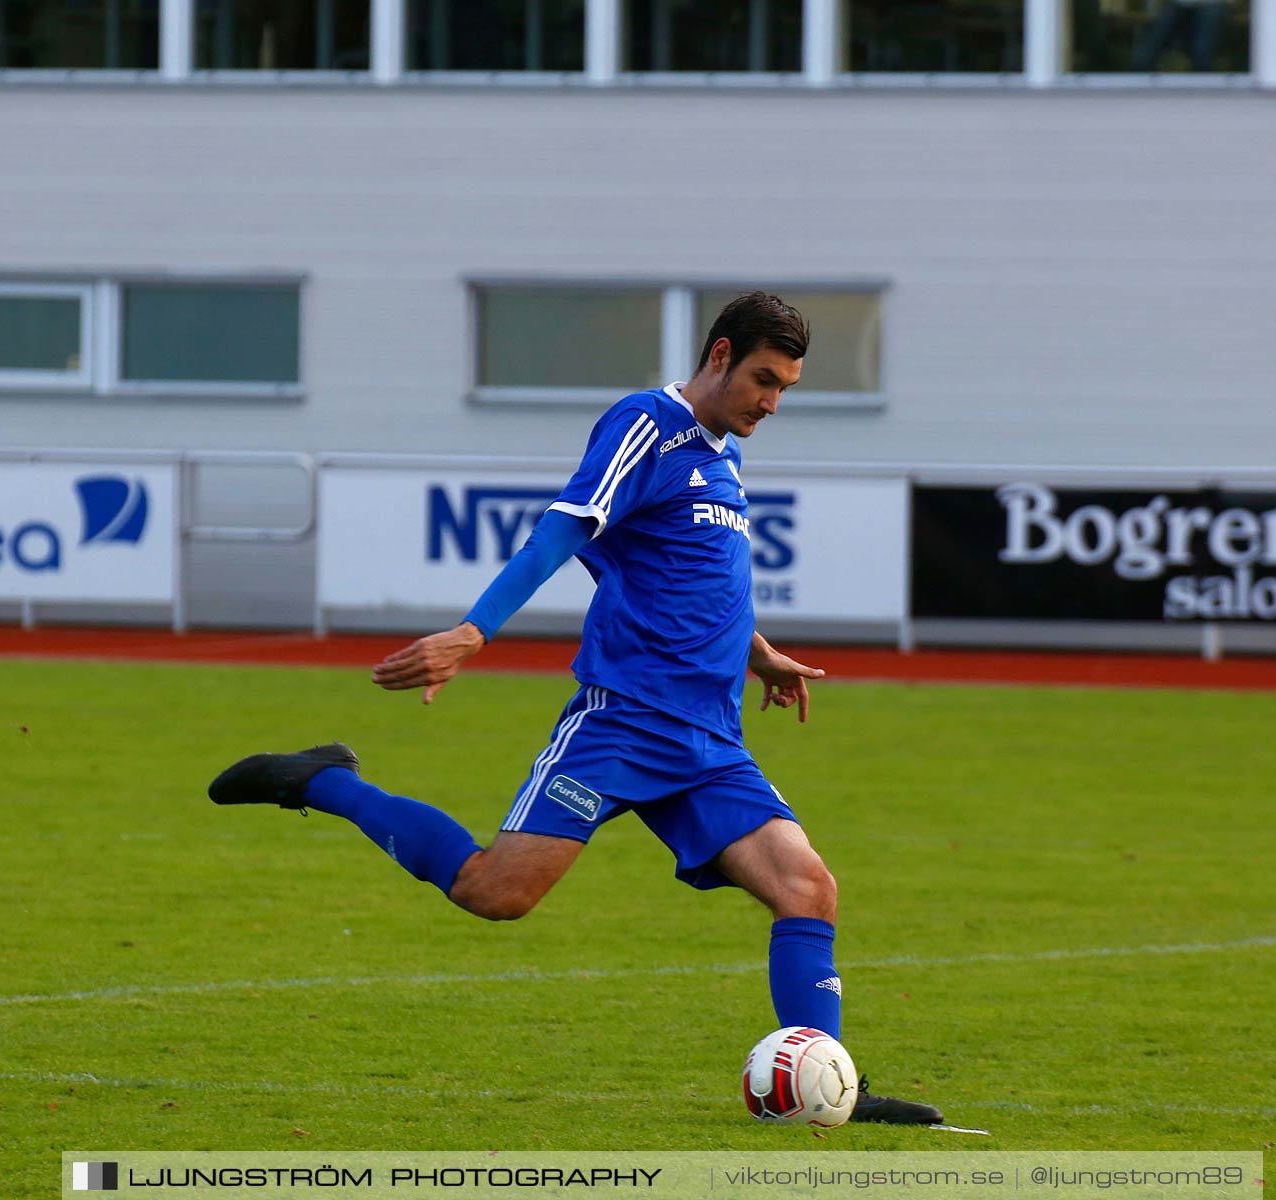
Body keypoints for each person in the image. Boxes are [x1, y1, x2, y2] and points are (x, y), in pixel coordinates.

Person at [209, 292, 942, 1125]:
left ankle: (829, 1087)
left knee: (809, 888)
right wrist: (473, 632)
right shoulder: (645, 425)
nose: (771, 403)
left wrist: (759, 652)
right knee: (495, 892)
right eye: (764, 381)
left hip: (708, 739)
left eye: (785, 389)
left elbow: (690, 579)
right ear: (720, 354)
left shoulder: (721, 453)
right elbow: (559, 536)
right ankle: (323, 782)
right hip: (624, 724)